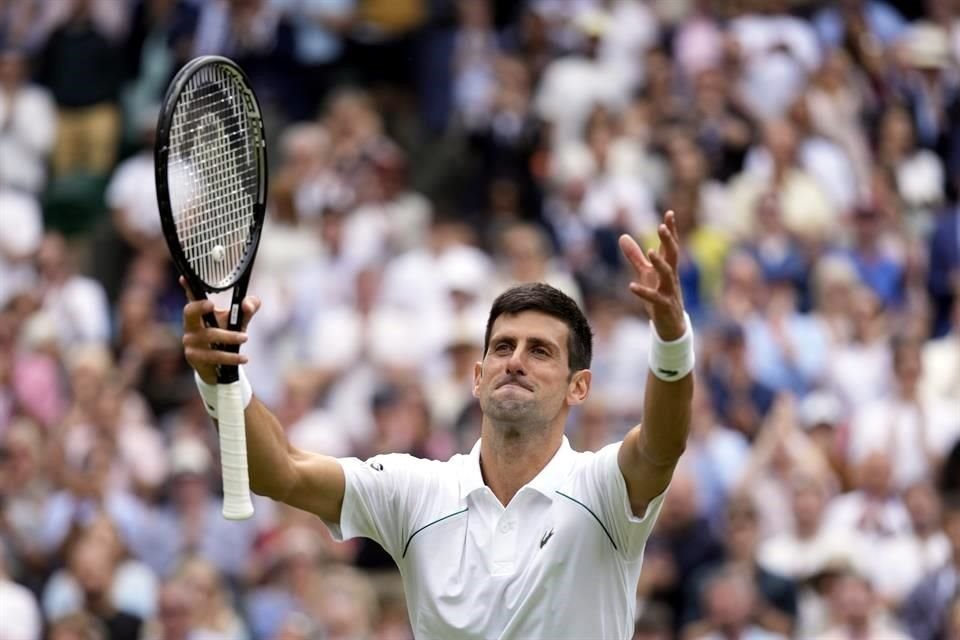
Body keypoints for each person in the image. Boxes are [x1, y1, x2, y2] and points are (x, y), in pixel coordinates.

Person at [180, 211, 695, 638]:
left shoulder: (603, 488)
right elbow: (281, 472)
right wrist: (221, 380)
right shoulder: (416, 490)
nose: (515, 361)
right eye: (502, 347)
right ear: (477, 377)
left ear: (578, 387)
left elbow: (661, 444)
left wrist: (671, 338)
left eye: (539, 351)